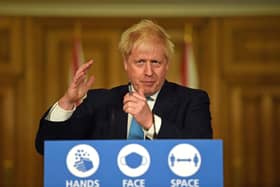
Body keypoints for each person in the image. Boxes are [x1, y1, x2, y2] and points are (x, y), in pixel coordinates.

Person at [35, 19, 212, 155]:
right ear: (126, 63)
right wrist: (67, 102)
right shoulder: (99, 102)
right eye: (140, 62)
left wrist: (150, 122)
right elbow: (47, 147)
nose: (148, 71)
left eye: (156, 62)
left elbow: (202, 154)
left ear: (167, 65)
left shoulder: (193, 101)